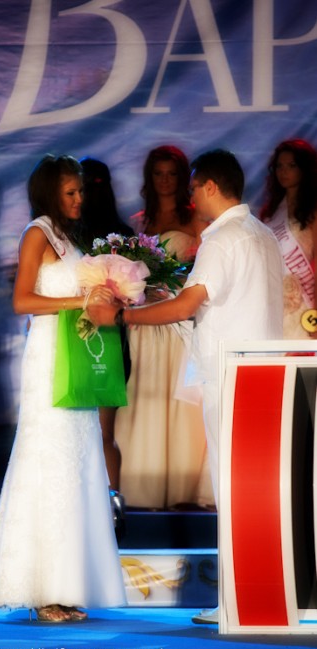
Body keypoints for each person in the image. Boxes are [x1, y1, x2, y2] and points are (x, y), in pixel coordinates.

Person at [88, 149, 284, 623]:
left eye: (194, 187)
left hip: (230, 375)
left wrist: (121, 317)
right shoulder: (261, 233)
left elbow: (186, 306)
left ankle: (237, 601)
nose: (191, 196)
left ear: (211, 186)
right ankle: (257, 596)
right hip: (264, 373)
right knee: (255, 490)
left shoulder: (222, 238)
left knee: (233, 489)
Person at [0, 154, 127, 623]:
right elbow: (22, 300)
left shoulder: (68, 238)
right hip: (47, 361)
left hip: (73, 355)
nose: (79, 198)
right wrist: (80, 300)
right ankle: (41, 588)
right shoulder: (37, 234)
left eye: (80, 191)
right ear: (50, 193)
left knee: (77, 464)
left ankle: (66, 586)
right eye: (71, 192)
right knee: (47, 460)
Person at [115, 145, 213, 510]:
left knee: (176, 401)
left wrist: (172, 286)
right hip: (143, 322)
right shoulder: (139, 221)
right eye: (159, 174)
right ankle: (143, 487)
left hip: (176, 320)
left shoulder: (195, 218)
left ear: (183, 177)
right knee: (143, 395)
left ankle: (178, 486)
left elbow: (205, 271)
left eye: (172, 174)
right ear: (150, 178)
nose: (166, 181)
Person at [78, 156, 133, 495]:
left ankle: (106, 506)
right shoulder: (121, 235)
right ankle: (112, 508)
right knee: (102, 433)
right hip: (105, 342)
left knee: (97, 433)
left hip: (100, 340)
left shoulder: (70, 237)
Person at [259, 138, 317, 338]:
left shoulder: (313, 210)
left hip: (305, 299)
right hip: (274, 298)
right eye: (279, 166)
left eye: (291, 166)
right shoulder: (270, 211)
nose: (284, 172)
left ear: (304, 169)